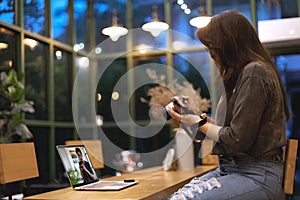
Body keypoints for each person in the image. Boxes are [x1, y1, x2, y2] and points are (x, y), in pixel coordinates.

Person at [167, 10, 290, 200]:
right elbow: (233, 132)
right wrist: (197, 116)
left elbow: (237, 139)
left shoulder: (254, 72)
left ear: (229, 44)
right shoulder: (243, 75)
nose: (211, 53)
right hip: (233, 170)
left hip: (257, 175)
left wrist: (199, 122)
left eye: (212, 47)